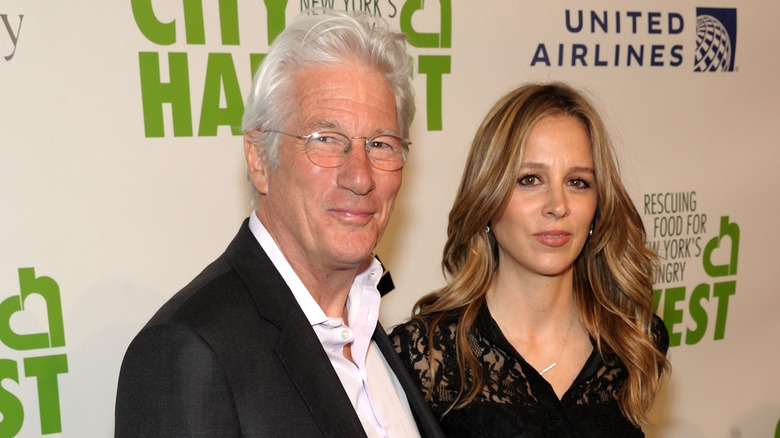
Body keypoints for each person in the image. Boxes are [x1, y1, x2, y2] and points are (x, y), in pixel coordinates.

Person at [115, 9, 443, 438]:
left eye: (381, 144)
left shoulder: (372, 330)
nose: (360, 177)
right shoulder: (188, 353)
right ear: (259, 160)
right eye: (325, 140)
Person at [390, 82, 670, 437]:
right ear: (488, 198)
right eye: (530, 179)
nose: (558, 205)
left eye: (578, 182)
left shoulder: (634, 342)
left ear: (598, 206)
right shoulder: (423, 357)